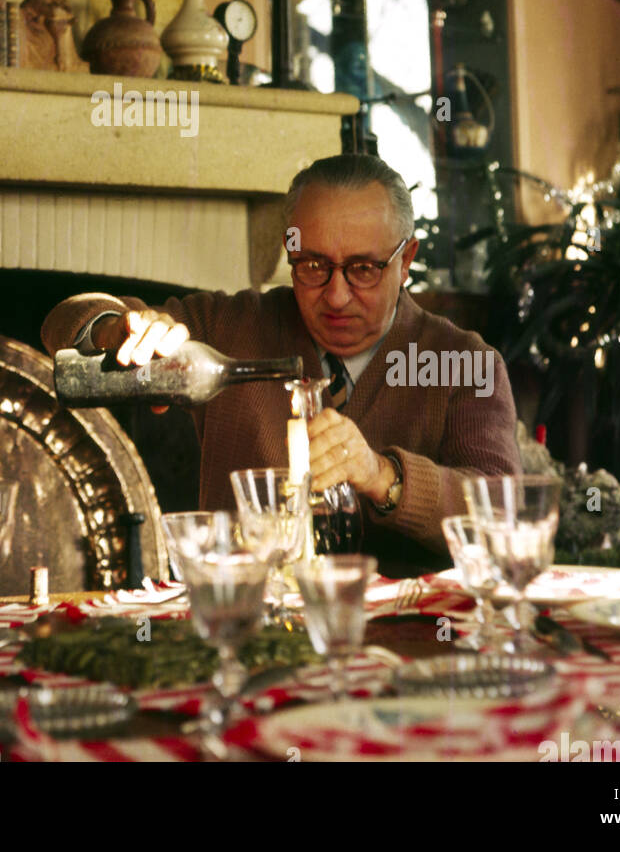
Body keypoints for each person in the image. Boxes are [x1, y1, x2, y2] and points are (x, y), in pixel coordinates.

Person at [41, 154, 520, 575]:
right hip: (249, 631)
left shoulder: (464, 363)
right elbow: (63, 320)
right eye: (312, 265)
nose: (335, 295)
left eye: (363, 269)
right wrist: (114, 328)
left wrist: (381, 476)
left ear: (406, 259)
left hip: (409, 645)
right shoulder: (229, 326)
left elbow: (506, 520)